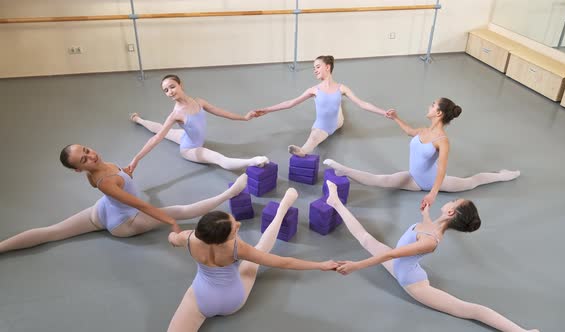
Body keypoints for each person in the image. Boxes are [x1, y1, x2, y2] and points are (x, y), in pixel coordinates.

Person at [325, 181, 538, 332]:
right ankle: (334, 201)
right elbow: (425, 225)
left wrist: (356, 266)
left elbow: (390, 253)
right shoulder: (432, 225)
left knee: (469, 310)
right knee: (365, 238)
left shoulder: (430, 240)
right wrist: (426, 211)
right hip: (401, 266)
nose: (450, 201)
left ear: (451, 213)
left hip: (412, 283)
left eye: (453, 201)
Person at [0, 144, 248, 253]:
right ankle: (230, 193)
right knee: (181, 211)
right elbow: (140, 204)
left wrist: (126, 172)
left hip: (103, 210)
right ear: (78, 169)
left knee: (53, 231)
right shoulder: (106, 182)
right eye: (84, 160)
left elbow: (119, 180)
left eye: (86, 150)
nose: (91, 157)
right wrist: (169, 221)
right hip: (124, 223)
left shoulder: (96, 171)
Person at [166, 188, 338, 331]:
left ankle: (283, 208)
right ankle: (282, 209)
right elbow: (284, 262)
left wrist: (174, 234)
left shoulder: (188, 238)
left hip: (201, 299)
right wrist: (320, 265)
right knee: (259, 250)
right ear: (224, 239)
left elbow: (172, 239)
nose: (239, 225)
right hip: (233, 301)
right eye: (235, 229)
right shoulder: (237, 248)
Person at [324, 98, 520, 209]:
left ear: (439, 113)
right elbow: (409, 131)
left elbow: (442, 170)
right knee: (381, 180)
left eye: (433, 104)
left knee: (472, 181)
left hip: (435, 181)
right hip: (414, 180)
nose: (429, 105)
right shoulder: (424, 131)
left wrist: (433, 194)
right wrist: (395, 118)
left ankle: (503, 175)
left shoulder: (442, 141)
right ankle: (343, 170)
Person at [251, 55, 389, 157]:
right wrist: (267, 110)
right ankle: (302, 151)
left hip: (338, 122)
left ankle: (340, 104)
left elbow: (362, 104)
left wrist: (384, 112)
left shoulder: (342, 88)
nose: (314, 70)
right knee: (313, 138)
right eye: (314, 68)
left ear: (327, 67)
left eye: (317, 67)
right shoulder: (314, 90)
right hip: (322, 127)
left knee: (339, 110)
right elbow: (290, 103)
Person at [128, 74, 269, 172]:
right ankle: (253, 161)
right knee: (219, 159)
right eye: (166, 90)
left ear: (180, 84)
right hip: (190, 149)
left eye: (172, 87)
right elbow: (156, 139)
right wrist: (136, 159)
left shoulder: (199, 102)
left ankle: (137, 119)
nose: (170, 92)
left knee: (161, 129)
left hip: (185, 136)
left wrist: (244, 118)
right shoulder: (176, 114)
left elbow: (221, 112)